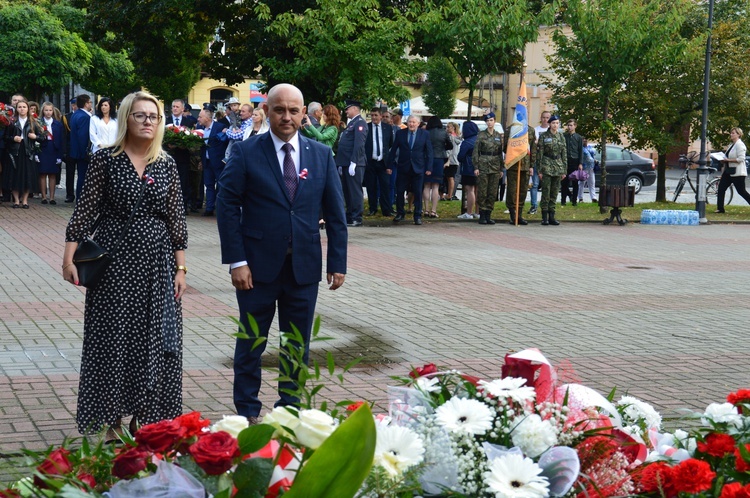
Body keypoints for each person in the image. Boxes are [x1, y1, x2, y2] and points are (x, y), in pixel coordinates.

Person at [216, 83, 347, 422]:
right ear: (267, 111)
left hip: (304, 268)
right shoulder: (246, 152)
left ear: (304, 114)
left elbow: (335, 213)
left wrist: (337, 262)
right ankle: (247, 414)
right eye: (279, 110)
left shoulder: (320, 154)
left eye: (293, 110)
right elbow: (227, 204)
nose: (286, 117)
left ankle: (289, 411)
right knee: (251, 344)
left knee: (296, 346)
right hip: (255, 268)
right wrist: (237, 260)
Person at [61, 91, 188, 436]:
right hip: (114, 265)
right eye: (140, 115)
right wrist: (68, 257)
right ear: (126, 118)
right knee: (112, 339)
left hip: (156, 267)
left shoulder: (166, 163)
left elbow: (177, 219)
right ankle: (112, 418)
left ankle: (143, 418)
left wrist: (181, 268)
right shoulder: (106, 160)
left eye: (154, 117)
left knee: (153, 341)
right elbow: (85, 210)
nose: (148, 122)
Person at [388, 114, 433, 225]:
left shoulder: (425, 134)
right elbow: (393, 150)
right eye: (410, 122)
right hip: (403, 167)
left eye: (414, 122)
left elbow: (429, 152)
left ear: (418, 123)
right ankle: (400, 213)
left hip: (418, 168)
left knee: (418, 192)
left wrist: (429, 167)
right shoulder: (400, 133)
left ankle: (417, 215)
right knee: (399, 191)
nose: (411, 124)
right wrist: (389, 166)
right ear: (407, 123)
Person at [4, 99, 44, 208]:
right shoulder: (11, 122)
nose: (22, 109)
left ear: (28, 109)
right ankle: (16, 200)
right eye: (20, 107)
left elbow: (42, 137)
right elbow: (5, 137)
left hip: (28, 152)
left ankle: (25, 200)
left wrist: (35, 137)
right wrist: (13, 138)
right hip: (15, 152)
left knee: (27, 176)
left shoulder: (33, 122)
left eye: (24, 107)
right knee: (15, 176)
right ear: (16, 109)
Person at [335, 99, 368, 227]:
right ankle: (350, 215)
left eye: (348, 108)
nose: (346, 111)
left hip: (354, 163)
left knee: (354, 191)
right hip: (346, 163)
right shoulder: (351, 124)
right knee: (347, 191)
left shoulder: (360, 123)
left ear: (355, 108)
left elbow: (359, 144)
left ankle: (356, 217)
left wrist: (354, 161)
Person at [165, 99, 196, 214]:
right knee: (168, 181)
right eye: (173, 106)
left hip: (183, 156)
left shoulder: (188, 122)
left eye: (177, 107)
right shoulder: (166, 121)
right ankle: (168, 205)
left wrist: (185, 145)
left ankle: (182, 206)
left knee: (183, 182)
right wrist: (168, 145)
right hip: (169, 155)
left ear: (183, 109)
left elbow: (192, 138)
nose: (175, 108)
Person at [196, 108, 228, 217]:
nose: (198, 119)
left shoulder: (220, 127)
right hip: (207, 162)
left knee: (220, 185)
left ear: (207, 118)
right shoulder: (199, 128)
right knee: (208, 185)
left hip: (218, 162)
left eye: (200, 117)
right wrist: (201, 160)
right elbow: (201, 146)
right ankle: (209, 208)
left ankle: (219, 208)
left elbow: (225, 142)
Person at [474, 113, 504, 225]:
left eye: (491, 120)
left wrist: (501, 168)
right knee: (482, 191)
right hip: (483, 165)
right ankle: (482, 214)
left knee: (492, 192)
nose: (489, 122)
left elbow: (500, 153)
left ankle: (488, 214)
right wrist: (476, 166)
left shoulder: (498, 135)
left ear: (494, 121)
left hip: (495, 165)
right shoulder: (481, 135)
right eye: (487, 121)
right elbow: (476, 152)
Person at [537, 115, 567, 226]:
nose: (555, 125)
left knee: (554, 192)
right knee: (546, 191)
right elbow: (539, 154)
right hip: (546, 165)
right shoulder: (544, 136)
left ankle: (552, 216)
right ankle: (544, 216)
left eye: (557, 123)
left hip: (558, 165)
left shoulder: (561, 136)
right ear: (549, 124)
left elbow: (564, 153)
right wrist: (539, 170)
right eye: (553, 123)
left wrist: (564, 170)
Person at [364, 108, 394, 216]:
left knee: (385, 186)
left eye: (376, 115)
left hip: (383, 162)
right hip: (371, 162)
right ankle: (373, 208)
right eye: (372, 115)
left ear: (381, 116)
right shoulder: (367, 128)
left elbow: (390, 144)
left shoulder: (387, 128)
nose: (373, 118)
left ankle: (386, 209)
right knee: (371, 186)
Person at [505, 126, 536, 226]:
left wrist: (531, 165)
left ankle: (519, 214)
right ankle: (513, 215)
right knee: (512, 191)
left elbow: (533, 149)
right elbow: (505, 146)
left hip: (526, 166)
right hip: (513, 165)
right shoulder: (511, 129)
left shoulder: (531, 130)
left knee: (523, 191)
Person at [716, 127, 750, 213]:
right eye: (731, 133)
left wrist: (728, 160)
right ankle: (720, 209)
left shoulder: (740, 145)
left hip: (738, 173)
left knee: (741, 191)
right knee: (721, 188)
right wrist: (724, 161)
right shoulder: (731, 145)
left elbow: (741, 159)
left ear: (738, 134)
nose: (731, 134)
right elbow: (726, 158)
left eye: (733, 133)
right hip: (728, 171)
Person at [38, 102, 64, 205]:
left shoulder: (58, 124)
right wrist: (36, 153)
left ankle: (52, 197)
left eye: (50, 110)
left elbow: (61, 140)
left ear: (53, 111)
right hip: (43, 149)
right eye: (46, 110)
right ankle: (44, 197)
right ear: (42, 111)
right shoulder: (38, 123)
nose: (48, 112)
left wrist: (60, 155)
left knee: (53, 174)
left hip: (54, 149)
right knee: (43, 173)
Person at [69, 94, 93, 200]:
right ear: (86, 103)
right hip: (82, 152)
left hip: (76, 150)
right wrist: (85, 152)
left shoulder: (76, 114)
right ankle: (81, 198)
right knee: (83, 177)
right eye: (90, 102)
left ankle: (80, 197)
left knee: (81, 176)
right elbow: (83, 136)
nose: (91, 104)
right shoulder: (84, 117)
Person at [424, 116, 448, 218]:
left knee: (426, 185)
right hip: (439, 159)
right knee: (435, 186)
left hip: (427, 159)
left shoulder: (426, 132)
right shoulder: (443, 132)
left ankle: (426, 209)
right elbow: (450, 145)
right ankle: (433, 211)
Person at [457, 121, 479, 219]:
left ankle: (469, 213)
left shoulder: (467, 142)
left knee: (470, 190)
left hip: (469, 168)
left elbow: (460, 156)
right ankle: (477, 212)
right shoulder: (480, 139)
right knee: (477, 190)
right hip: (480, 168)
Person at [529, 111, 551, 215]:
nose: (545, 119)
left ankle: (547, 206)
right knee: (535, 184)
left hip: (548, 161)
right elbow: (534, 144)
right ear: (541, 118)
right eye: (544, 117)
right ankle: (534, 206)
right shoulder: (536, 130)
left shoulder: (551, 131)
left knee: (547, 185)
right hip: (537, 160)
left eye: (547, 118)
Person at [561, 119, 583, 206]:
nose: (569, 127)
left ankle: (574, 201)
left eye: (571, 125)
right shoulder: (564, 136)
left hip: (575, 160)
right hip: (565, 161)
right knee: (564, 182)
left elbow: (580, 150)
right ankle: (563, 200)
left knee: (575, 182)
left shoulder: (578, 137)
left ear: (575, 126)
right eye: (568, 125)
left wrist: (580, 163)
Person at [62, 98, 78, 203]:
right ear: (72, 105)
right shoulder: (66, 117)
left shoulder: (87, 117)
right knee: (70, 173)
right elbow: (63, 135)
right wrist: (63, 151)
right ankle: (70, 194)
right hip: (70, 148)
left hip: (81, 149)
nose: (76, 106)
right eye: (75, 105)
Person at [443, 122, 462, 201]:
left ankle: (450, 194)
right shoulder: (457, 137)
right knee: (450, 177)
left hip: (450, 160)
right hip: (455, 159)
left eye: (449, 127)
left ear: (453, 128)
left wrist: (448, 159)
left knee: (450, 178)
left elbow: (450, 150)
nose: (447, 129)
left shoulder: (451, 137)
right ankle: (450, 194)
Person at [580, 138, 598, 203]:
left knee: (592, 182)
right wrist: (594, 161)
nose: (584, 141)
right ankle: (580, 198)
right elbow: (588, 158)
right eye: (583, 140)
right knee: (582, 183)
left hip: (591, 168)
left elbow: (592, 156)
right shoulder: (581, 149)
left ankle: (593, 197)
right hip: (584, 167)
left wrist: (594, 161)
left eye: (585, 140)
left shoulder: (590, 147)